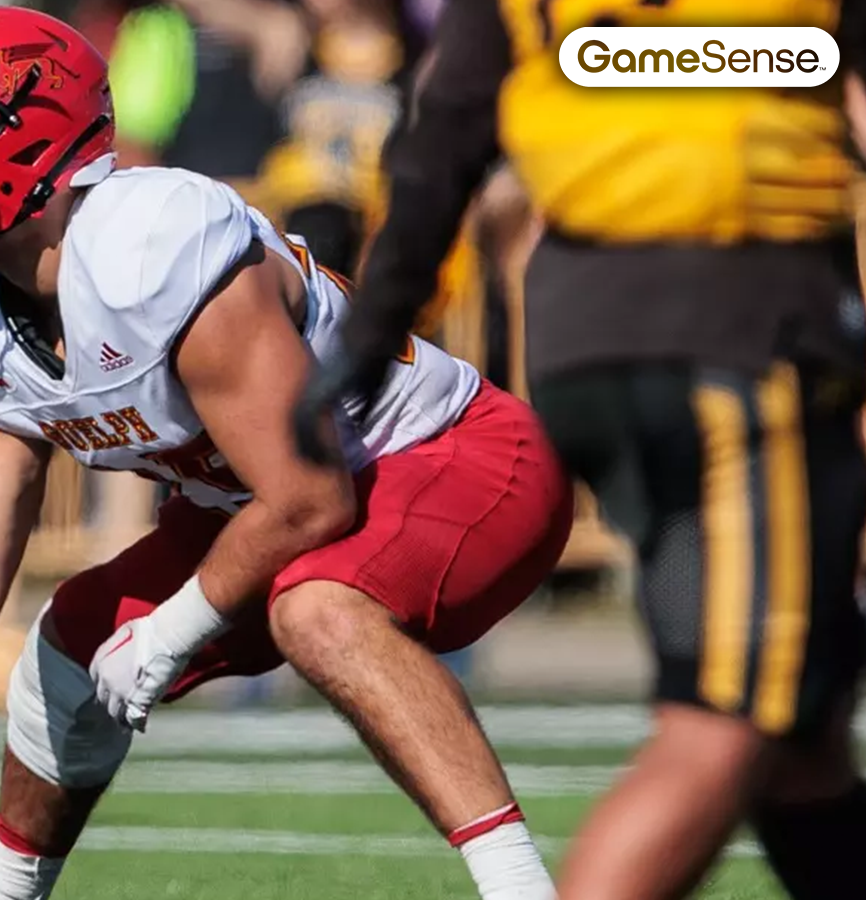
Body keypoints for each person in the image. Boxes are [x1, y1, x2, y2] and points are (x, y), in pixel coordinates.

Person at [0, 7, 573, 900]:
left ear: (26, 141)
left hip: (454, 460)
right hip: (272, 504)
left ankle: (521, 891)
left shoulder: (149, 244)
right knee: (65, 654)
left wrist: (175, 626)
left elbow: (310, 500)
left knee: (316, 610)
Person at [291, 2, 866, 899]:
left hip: (588, 342)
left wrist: (367, 335)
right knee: (734, 716)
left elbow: (444, 137)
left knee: (805, 733)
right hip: (739, 333)